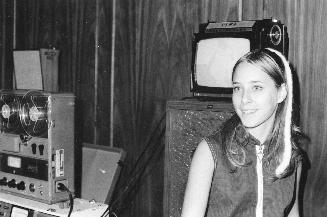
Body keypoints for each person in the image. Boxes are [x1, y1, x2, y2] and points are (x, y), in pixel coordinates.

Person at [181, 48, 307, 217]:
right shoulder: (210, 151)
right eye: (237, 88)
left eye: (256, 87)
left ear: (281, 92)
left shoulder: (291, 157)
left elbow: (293, 212)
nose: (244, 99)